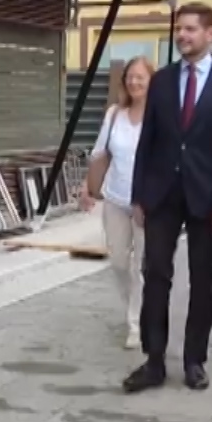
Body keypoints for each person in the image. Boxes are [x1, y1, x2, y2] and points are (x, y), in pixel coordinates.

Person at [125, 5, 212, 393]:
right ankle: (154, 360)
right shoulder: (162, 81)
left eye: (191, 29)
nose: (183, 36)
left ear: (211, 33)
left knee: (202, 280)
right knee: (156, 276)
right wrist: (139, 196)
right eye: (179, 29)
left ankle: (194, 360)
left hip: (208, 197)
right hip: (162, 194)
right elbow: (147, 141)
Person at [80, 57, 154, 351]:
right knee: (120, 263)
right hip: (115, 198)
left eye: (141, 77)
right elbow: (99, 153)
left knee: (143, 265)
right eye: (130, 77)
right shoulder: (114, 114)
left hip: (147, 204)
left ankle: (136, 323)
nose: (134, 82)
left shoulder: (159, 116)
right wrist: (88, 188)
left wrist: (149, 199)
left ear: (152, 81)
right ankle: (133, 310)